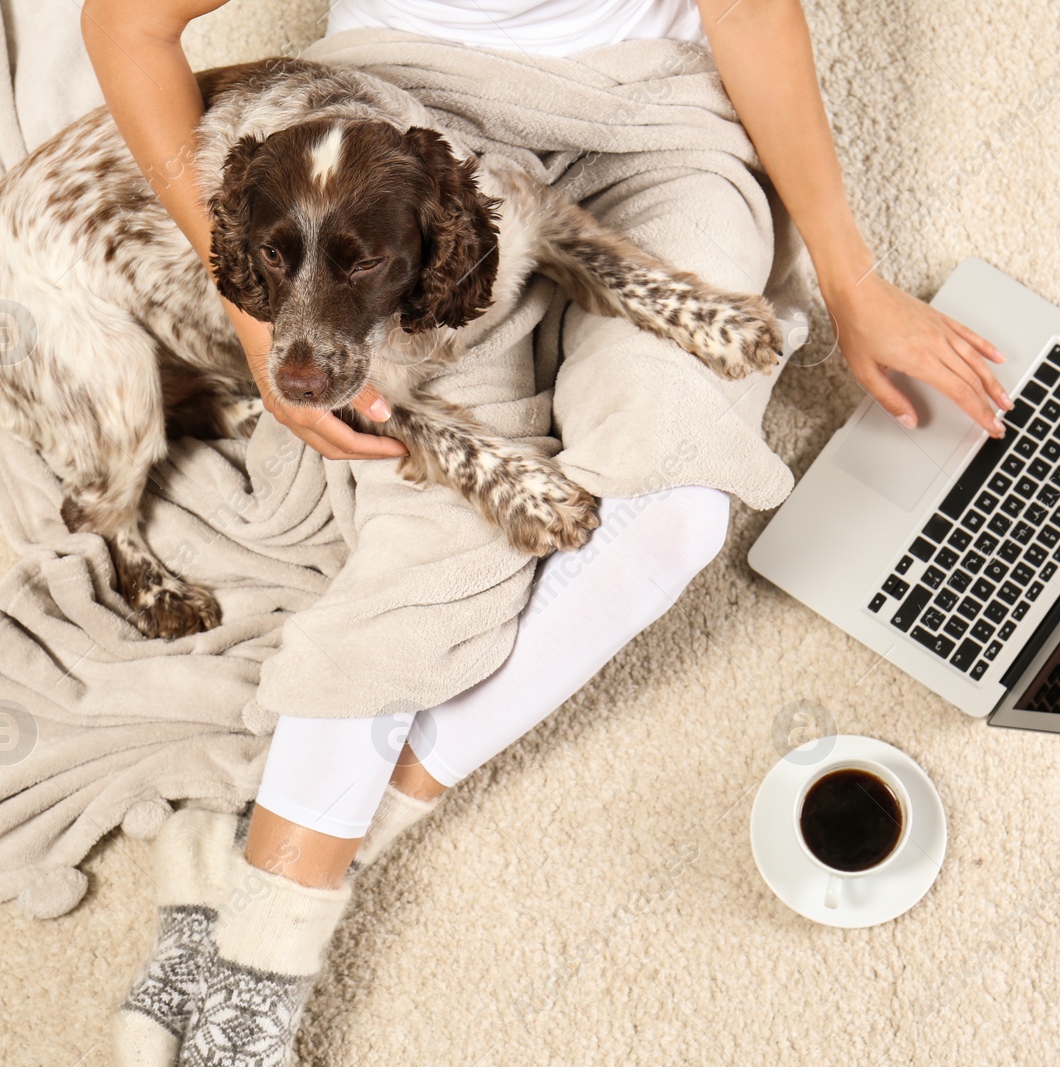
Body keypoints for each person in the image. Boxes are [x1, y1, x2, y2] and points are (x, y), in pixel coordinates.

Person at [82, 1, 1009, 1063]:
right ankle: (262, 970)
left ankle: (275, 853)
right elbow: (126, 25)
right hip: (403, 157)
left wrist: (853, 283)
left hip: (654, 128)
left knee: (676, 504)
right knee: (435, 536)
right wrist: (262, 318)